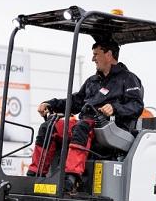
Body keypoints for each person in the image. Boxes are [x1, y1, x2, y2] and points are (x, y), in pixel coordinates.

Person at [27, 40, 144, 191]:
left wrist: (114, 108)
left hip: (113, 128)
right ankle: (35, 174)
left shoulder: (128, 78)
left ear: (109, 55)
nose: (93, 59)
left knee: (82, 126)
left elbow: (136, 106)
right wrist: (51, 104)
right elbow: (75, 102)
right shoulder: (93, 81)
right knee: (50, 126)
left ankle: (71, 178)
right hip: (88, 125)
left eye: (96, 54)